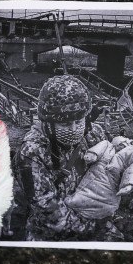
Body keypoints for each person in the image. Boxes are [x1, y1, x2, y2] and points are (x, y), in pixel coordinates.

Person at [15, 75, 116, 241]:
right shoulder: (33, 153)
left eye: (79, 121)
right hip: (51, 238)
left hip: (93, 218)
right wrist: (96, 227)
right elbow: (49, 213)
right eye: (65, 124)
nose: (74, 129)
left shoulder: (93, 134)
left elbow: (110, 172)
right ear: (48, 124)